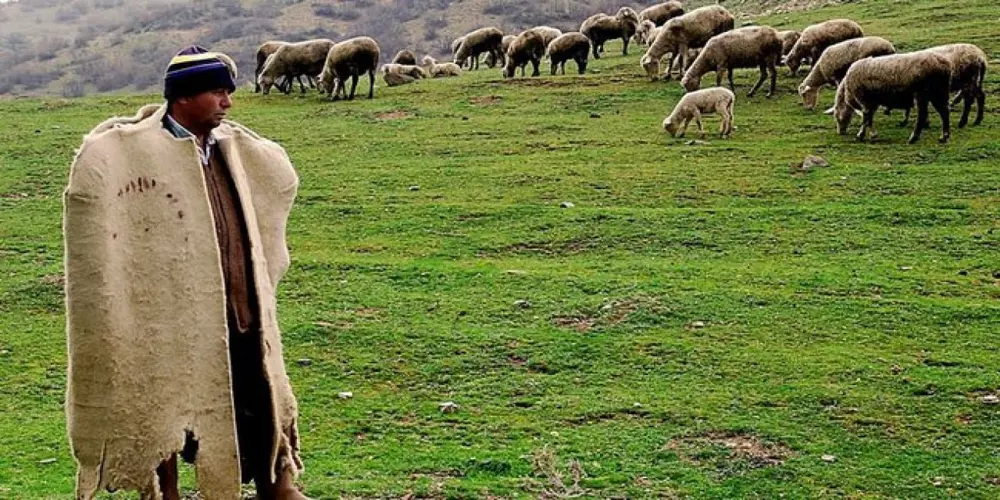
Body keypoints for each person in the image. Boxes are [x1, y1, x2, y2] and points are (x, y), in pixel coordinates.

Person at [63, 46, 308, 500]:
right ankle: (165, 492)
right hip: (172, 314)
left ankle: (278, 486)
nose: (228, 102)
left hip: (239, 306)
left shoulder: (232, 149)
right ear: (184, 97)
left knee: (258, 391)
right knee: (164, 404)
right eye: (218, 92)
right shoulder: (139, 153)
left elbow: (275, 179)